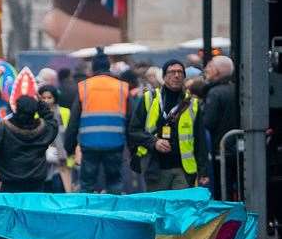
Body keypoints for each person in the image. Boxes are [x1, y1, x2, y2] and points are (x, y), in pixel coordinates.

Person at [127, 59, 209, 191]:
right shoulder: (149, 99)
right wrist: (154, 142)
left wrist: (203, 170)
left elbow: (200, 140)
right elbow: (133, 131)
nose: (176, 75)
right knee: (158, 209)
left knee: (180, 208)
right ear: (164, 76)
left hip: (183, 170)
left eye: (180, 72)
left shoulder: (192, 103)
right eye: (172, 72)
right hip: (156, 169)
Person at [64, 49, 132, 194]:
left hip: (89, 145)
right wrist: (133, 149)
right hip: (115, 144)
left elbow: (74, 122)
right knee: (114, 184)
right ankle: (113, 215)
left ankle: (87, 215)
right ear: (108, 66)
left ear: (93, 67)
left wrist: (69, 147)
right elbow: (131, 122)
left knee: (87, 186)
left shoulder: (85, 87)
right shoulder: (121, 87)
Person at [202, 55, 238, 199]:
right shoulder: (236, 89)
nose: (206, 69)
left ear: (217, 71)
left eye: (209, 66)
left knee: (222, 190)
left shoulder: (215, 93)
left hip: (220, 150)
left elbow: (208, 122)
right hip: (235, 149)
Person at [38, 85, 71, 192]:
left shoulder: (65, 112)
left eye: (49, 97)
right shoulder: (36, 115)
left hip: (63, 155)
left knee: (61, 187)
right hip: (43, 158)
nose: (46, 101)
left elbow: (69, 133)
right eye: (44, 98)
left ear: (55, 98)